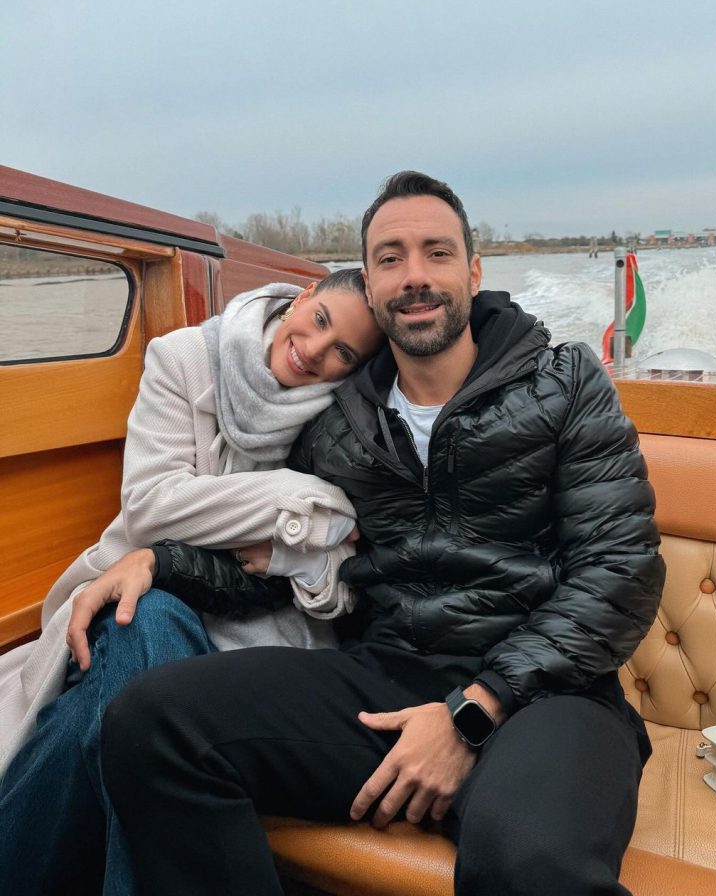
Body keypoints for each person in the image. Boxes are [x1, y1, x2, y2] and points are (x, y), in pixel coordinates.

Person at [102, 171, 666, 896]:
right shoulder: (337, 419)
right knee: (153, 723)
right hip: (385, 675)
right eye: (391, 258)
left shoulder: (566, 383)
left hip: (548, 695)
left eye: (437, 253)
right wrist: (160, 563)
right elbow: (288, 566)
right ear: (369, 286)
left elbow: (619, 572)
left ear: (473, 272)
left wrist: (473, 711)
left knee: (526, 862)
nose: (415, 276)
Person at [0, 269, 382, 896]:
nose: (314, 351)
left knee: (92, 714)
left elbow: (342, 575)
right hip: (131, 601)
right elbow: (152, 507)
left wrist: (280, 549)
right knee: (146, 620)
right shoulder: (185, 359)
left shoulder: (345, 418)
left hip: (250, 635)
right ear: (303, 297)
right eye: (319, 321)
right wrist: (304, 501)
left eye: (342, 352)